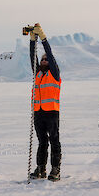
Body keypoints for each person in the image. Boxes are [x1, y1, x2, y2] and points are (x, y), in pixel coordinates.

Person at [29, 23, 62, 181]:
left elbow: (49, 54)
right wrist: (32, 40)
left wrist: (43, 39)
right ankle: (41, 168)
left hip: (52, 112)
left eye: (46, 59)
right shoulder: (37, 74)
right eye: (42, 59)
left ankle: (55, 169)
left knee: (54, 140)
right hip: (39, 113)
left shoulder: (54, 74)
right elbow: (32, 57)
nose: (43, 60)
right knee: (42, 142)